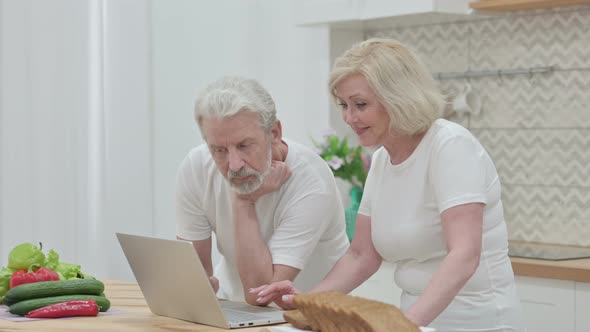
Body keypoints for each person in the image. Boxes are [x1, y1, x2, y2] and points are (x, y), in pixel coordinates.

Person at [252, 38, 526, 331]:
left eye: (360, 105)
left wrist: (402, 327)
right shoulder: (382, 160)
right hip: (418, 321)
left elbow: (464, 255)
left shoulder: (450, 146)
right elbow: (362, 255)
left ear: (398, 97)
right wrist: (307, 304)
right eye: (344, 105)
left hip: (478, 322)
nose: (349, 117)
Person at [175, 76, 350, 306]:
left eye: (244, 145)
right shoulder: (197, 166)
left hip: (307, 317)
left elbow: (260, 296)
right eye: (219, 150)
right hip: (231, 306)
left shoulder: (311, 182)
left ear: (274, 133)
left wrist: (243, 200)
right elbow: (195, 278)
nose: (235, 164)